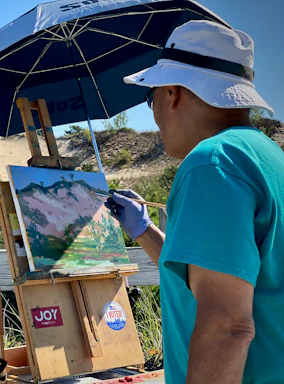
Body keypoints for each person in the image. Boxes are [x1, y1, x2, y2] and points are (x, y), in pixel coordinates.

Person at [105, 20, 284, 384]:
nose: (152, 114)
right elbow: (212, 277)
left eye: (149, 96)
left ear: (172, 93)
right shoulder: (265, 156)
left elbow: (228, 326)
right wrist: (144, 229)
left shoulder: (211, 164)